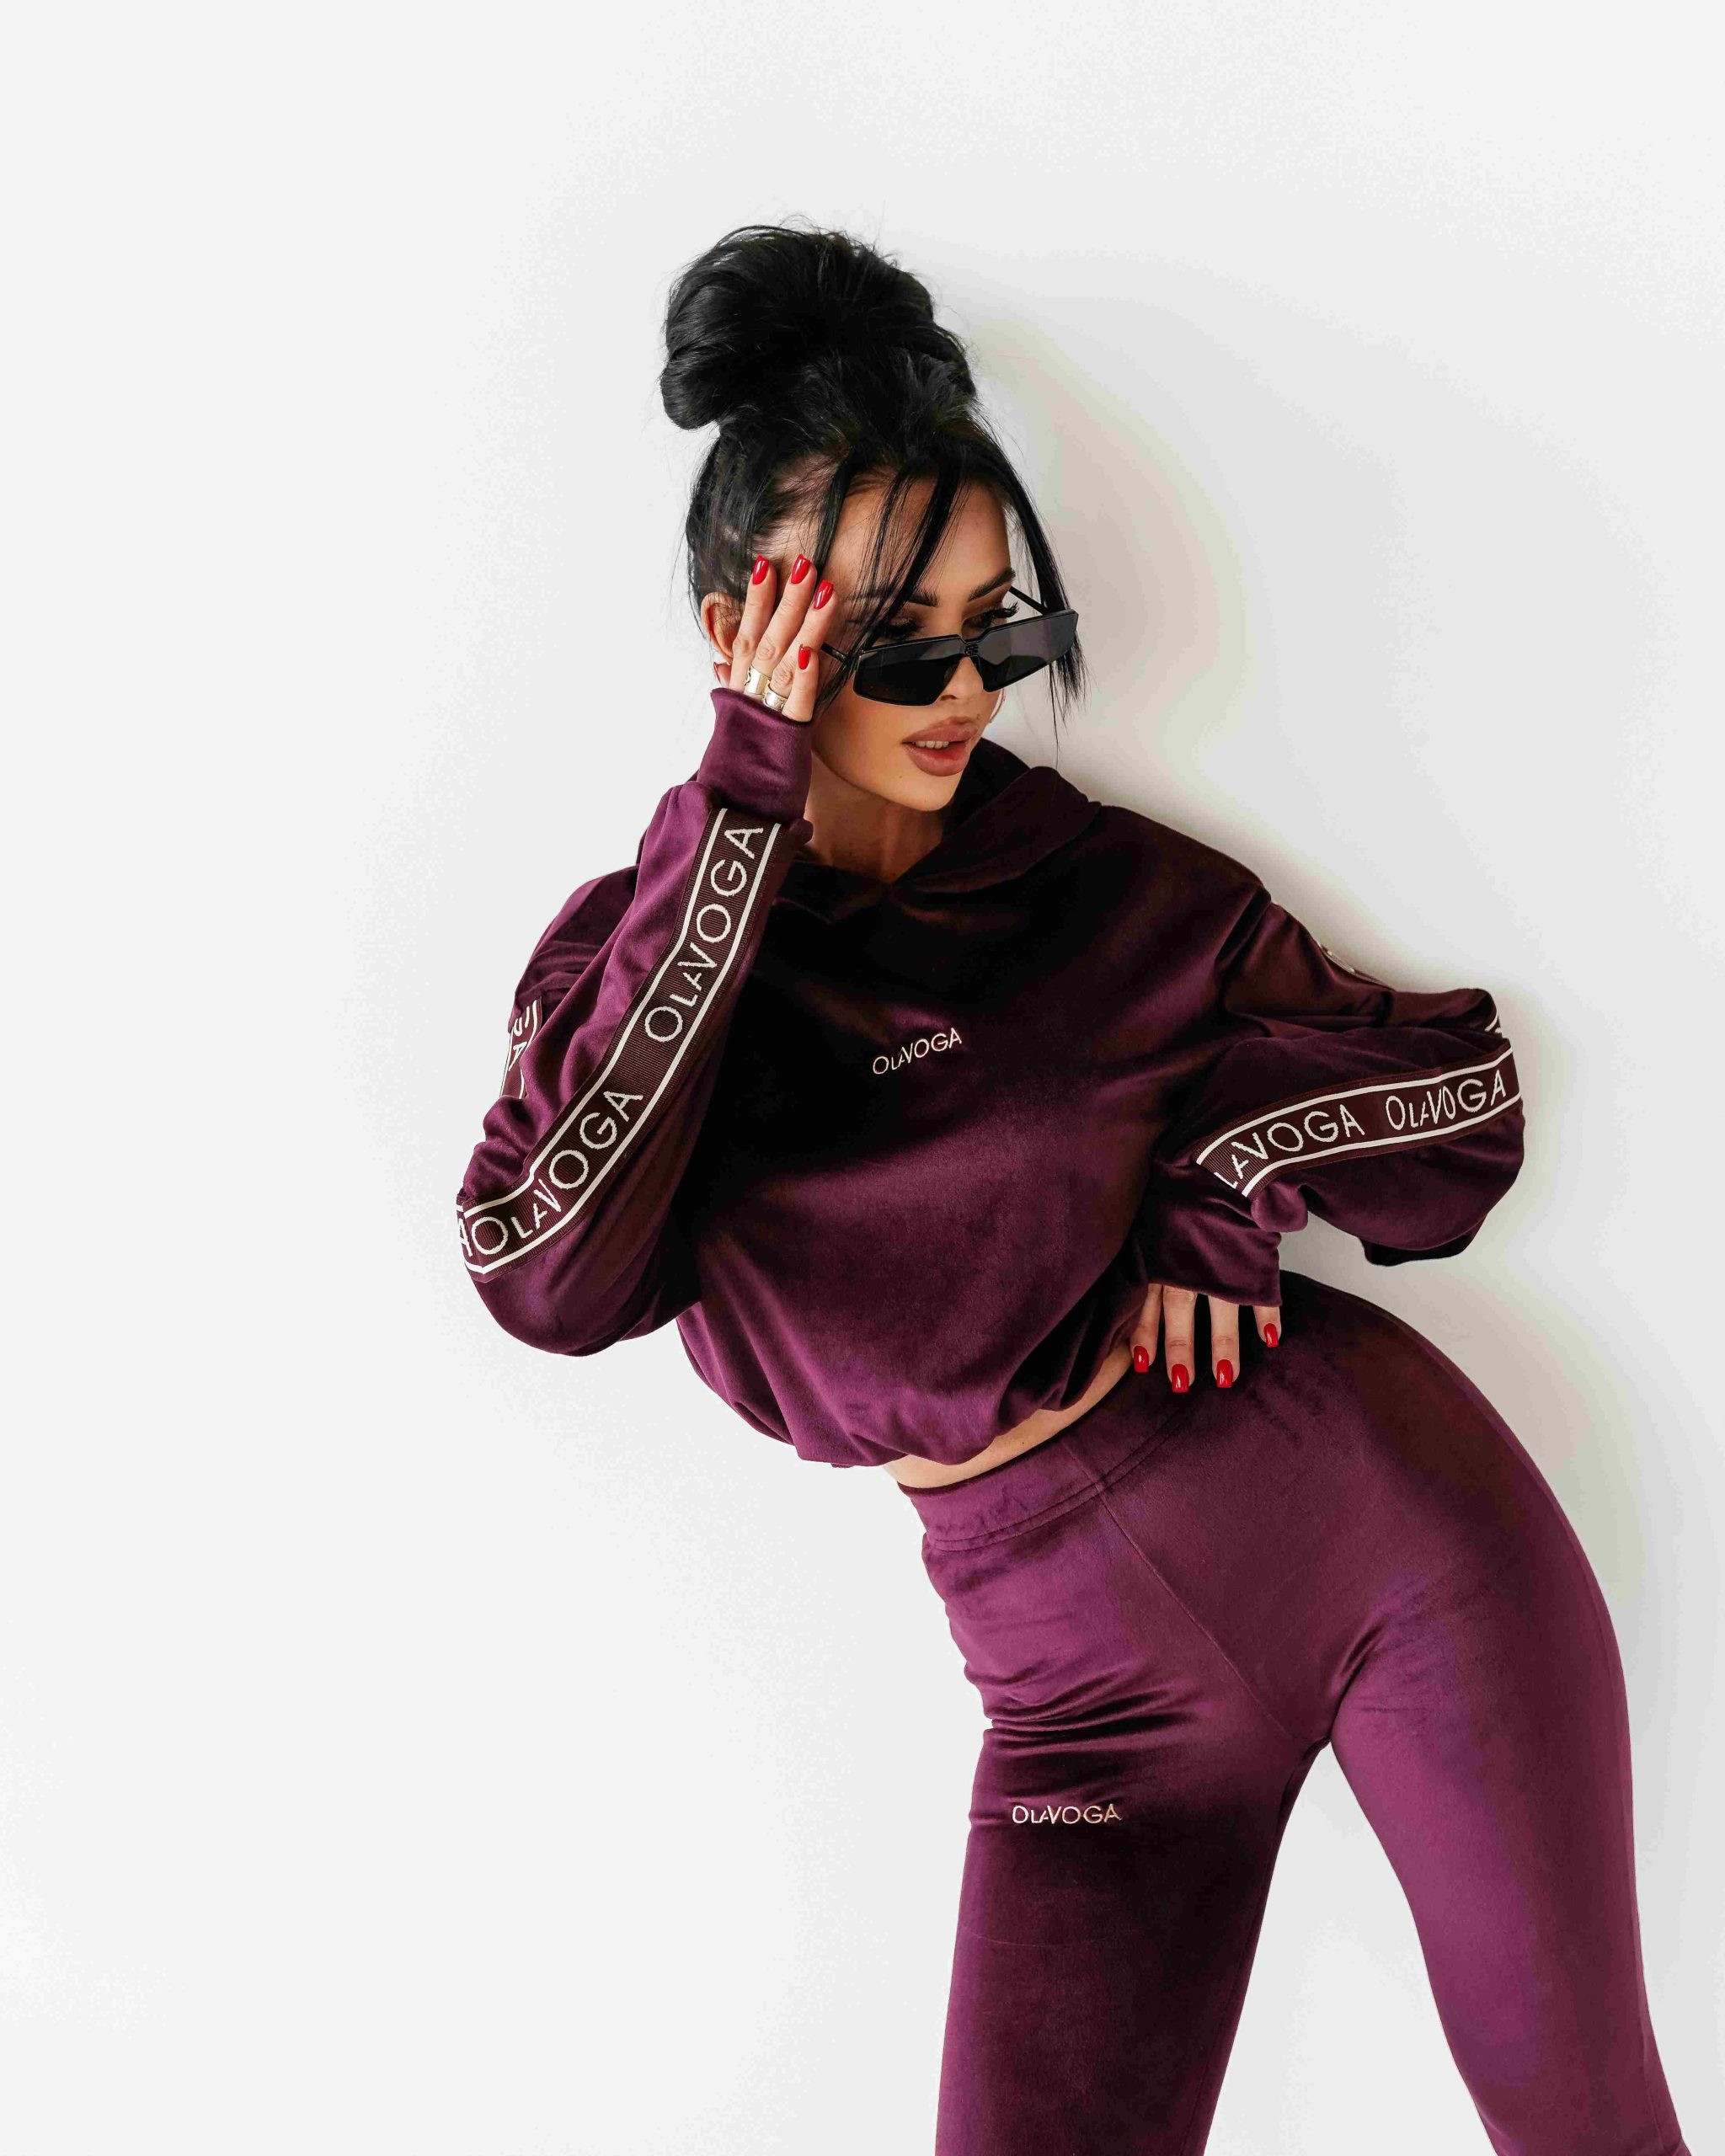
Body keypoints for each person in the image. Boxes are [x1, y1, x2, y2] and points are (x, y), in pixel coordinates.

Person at [454, 221, 1690, 2156]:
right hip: (1074, 1694)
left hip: (1385, 1535)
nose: (966, 685)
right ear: (741, 635)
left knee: (1581, 2123)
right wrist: (743, 804)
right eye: (898, 639)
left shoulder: (1099, 882)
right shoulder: (644, 958)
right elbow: (545, 1266)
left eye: (999, 625)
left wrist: (1222, 1172)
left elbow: (1459, 1094)